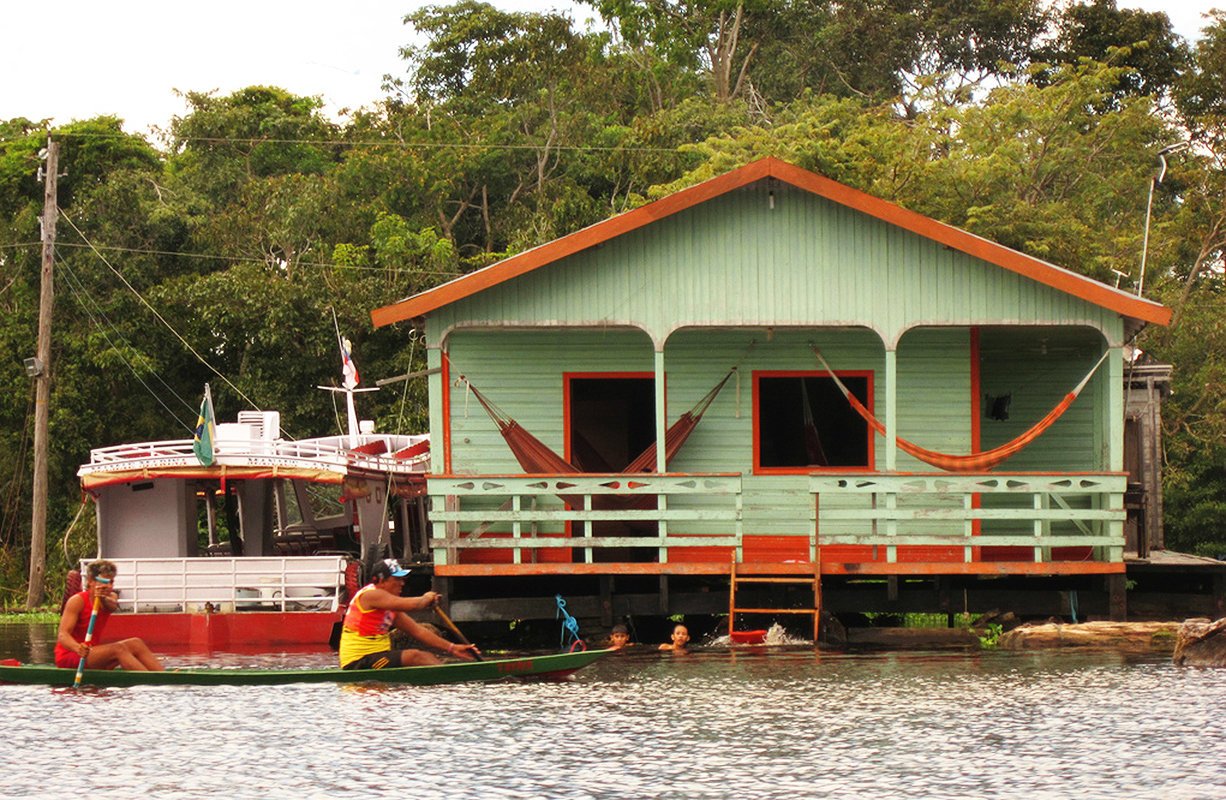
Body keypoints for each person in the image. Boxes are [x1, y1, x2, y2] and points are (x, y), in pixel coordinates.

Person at [339, 559, 480, 670]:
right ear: (381, 580)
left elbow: (417, 631)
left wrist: (452, 648)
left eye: (403, 579)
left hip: (378, 657)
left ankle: (445, 675)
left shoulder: (389, 607)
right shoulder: (370, 595)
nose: (402, 583)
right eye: (397, 579)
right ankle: (450, 679)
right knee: (415, 656)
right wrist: (427, 597)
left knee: (425, 656)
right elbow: (415, 605)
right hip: (358, 661)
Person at [55, 559, 164, 671]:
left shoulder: (111, 597)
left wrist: (102, 598)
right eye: (103, 581)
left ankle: (162, 676)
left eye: (111, 582)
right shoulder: (77, 601)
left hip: (94, 652)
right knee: (118, 649)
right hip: (73, 655)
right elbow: (63, 635)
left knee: (136, 643)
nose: (108, 586)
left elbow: (112, 606)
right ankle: (147, 680)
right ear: (91, 581)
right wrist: (78, 648)